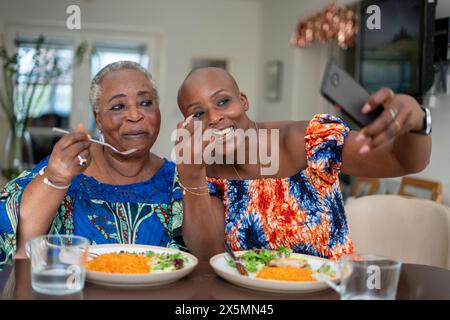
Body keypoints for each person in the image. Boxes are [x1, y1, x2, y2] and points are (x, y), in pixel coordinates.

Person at [176, 67, 431, 261]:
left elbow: (402, 160)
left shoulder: (306, 140)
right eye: (198, 113)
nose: (214, 118)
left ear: (243, 101)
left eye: (222, 102)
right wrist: (191, 175)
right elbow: (208, 254)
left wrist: (419, 121)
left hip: (329, 291)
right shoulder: (204, 172)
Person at [0, 61, 184, 269]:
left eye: (145, 103)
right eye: (118, 106)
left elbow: (201, 256)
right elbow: (12, 228)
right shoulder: (66, 168)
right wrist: (57, 179)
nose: (135, 115)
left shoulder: (180, 181)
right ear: (98, 119)